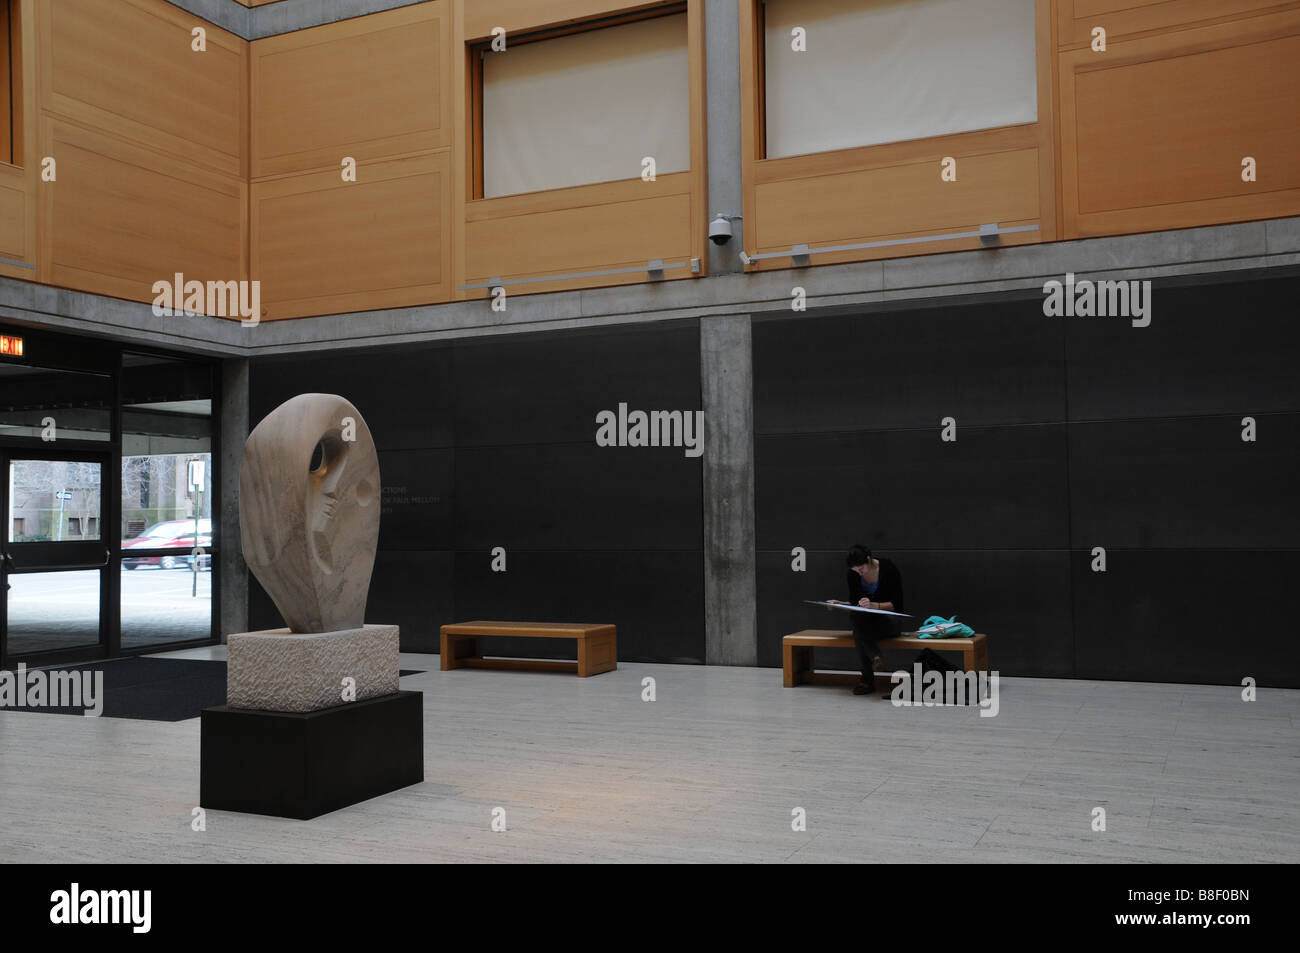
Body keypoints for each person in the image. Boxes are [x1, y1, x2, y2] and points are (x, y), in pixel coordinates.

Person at [828, 544, 905, 696]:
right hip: (867, 623)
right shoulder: (853, 575)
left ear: (869, 560)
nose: (859, 573)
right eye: (856, 571)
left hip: (890, 621)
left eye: (861, 569)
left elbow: (897, 605)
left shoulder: (888, 569)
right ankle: (875, 658)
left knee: (859, 632)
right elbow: (857, 604)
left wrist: (874, 605)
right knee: (859, 623)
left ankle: (867, 680)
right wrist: (839, 604)